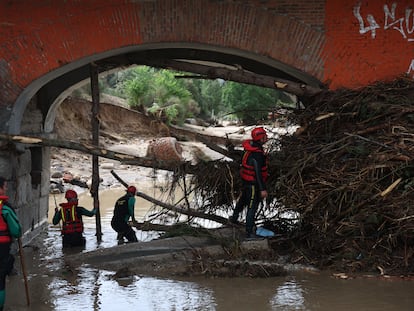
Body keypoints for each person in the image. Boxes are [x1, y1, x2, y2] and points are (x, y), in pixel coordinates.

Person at [229, 127, 269, 238]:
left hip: (246, 182)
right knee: (252, 206)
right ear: (260, 138)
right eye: (265, 136)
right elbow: (257, 172)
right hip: (253, 184)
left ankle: (234, 218)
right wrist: (262, 189)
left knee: (243, 201)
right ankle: (249, 232)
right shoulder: (257, 154)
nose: (267, 137)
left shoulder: (251, 148)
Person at [0, 177, 22, 311]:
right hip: (1, 249)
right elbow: (16, 231)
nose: (6, 189)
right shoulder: (6, 208)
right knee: (0, 281)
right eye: (5, 186)